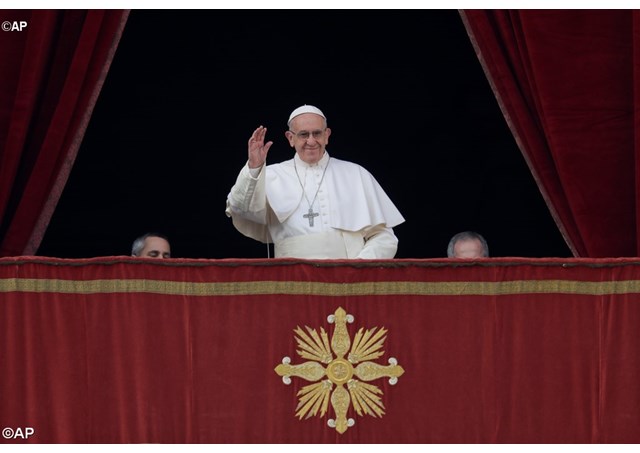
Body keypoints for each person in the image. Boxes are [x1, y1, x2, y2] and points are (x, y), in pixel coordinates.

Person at [225, 104, 405, 259]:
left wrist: (358, 267)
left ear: (327, 135)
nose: (311, 141)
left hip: (347, 280)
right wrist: (254, 167)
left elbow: (385, 238)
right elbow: (239, 208)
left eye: (317, 133)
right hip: (291, 279)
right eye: (303, 134)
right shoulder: (271, 175)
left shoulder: (355, 174)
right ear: (290, 138)